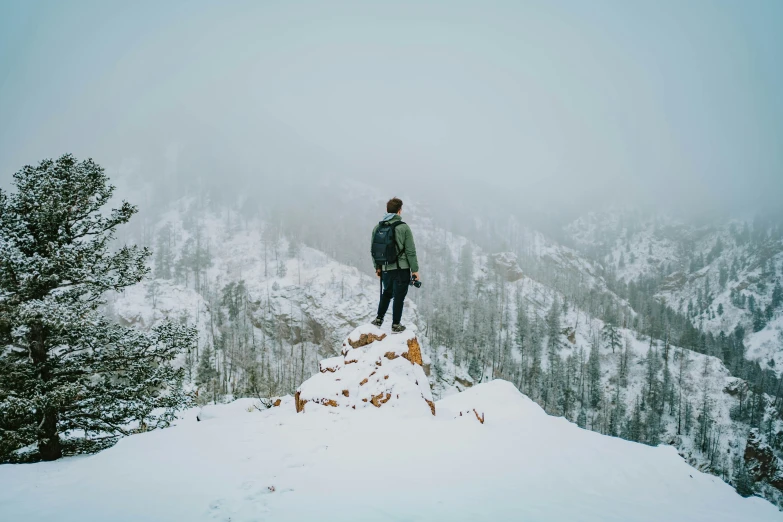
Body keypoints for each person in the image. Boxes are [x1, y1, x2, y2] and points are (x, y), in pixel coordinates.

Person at [370, 197, 419, 333]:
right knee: (399, 296)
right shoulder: (403, 228)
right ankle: (396, 325)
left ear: (387, 210)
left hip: (385, 267)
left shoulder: (378, 227)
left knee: (387, 293)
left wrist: (378, 267)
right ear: (399, 211)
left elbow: (374, 250)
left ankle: (379, 319)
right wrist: (415, 270)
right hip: (401, 268)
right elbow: (410, 251)